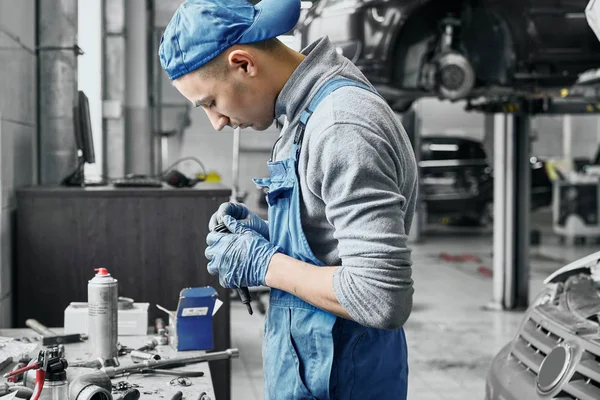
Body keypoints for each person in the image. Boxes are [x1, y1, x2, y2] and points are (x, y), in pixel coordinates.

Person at [159, 0, 417, 398]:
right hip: (312, 369)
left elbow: (380, 297)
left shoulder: (340, 124)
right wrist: (264, 236)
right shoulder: (303, 113)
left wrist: (262, 262)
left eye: (210, 102)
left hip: (344, 380)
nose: (217, 122)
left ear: (243, 63)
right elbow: (330, 242)